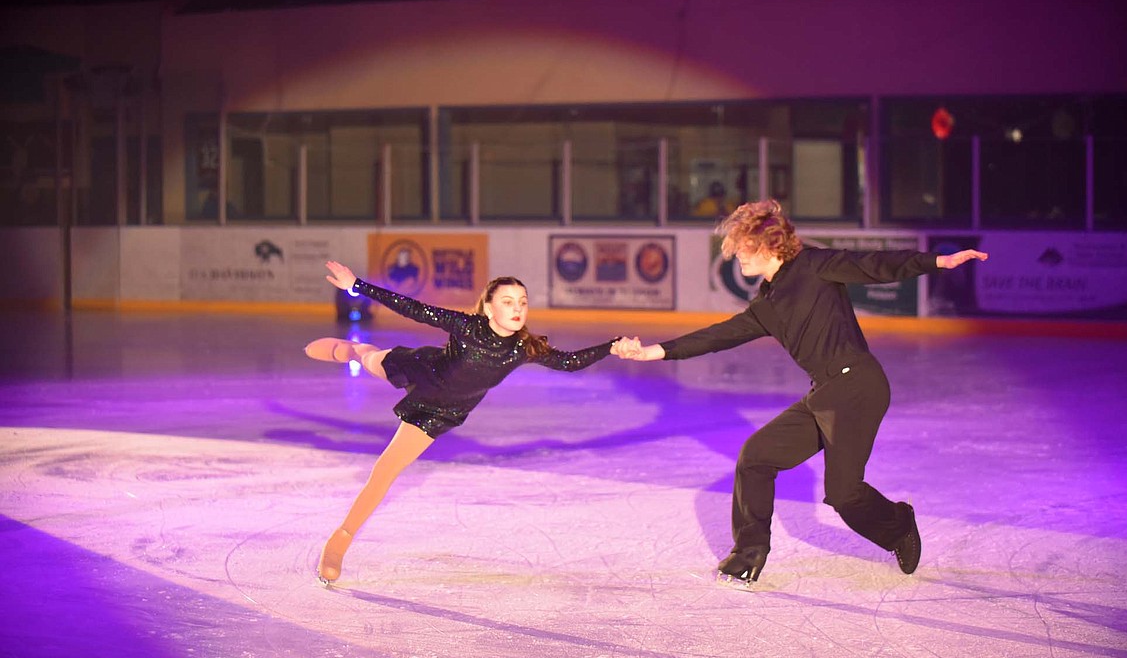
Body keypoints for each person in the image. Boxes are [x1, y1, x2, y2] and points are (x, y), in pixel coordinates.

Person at [614, 199, 988, 583]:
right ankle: (749, 551)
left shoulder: (814, 266)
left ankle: (898, 525)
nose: (736, 256)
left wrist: (936, 262)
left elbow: (873, 264)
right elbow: (718, 336)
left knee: (843, 495)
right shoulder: (767, 304)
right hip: (826, 392)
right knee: (756, 456)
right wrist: (652, 352)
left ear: (770, 245)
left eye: (743, 246)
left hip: (858, 385)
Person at [305, 260, 621, 585]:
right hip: (422, 370)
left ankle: (339, 541)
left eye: (522, 303)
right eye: (508, 302)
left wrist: (611, 346)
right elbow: (414, 309)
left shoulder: (523, 349)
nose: (517, 309)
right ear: (488, 307)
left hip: (441, 410)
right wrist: (358, 285)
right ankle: (355, 350)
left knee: (386, 470)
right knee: (371, 360)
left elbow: (568, 362)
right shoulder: (467, 327)